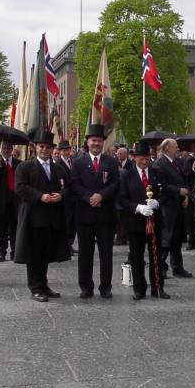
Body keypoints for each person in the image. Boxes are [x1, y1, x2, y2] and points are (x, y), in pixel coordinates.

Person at [13, 129, 71, 302]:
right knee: (34, 254)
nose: (44, 150)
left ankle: (44, 284)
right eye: (41, 146)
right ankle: (35, 287)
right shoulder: (25, 167)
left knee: (46, 253)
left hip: (52, 217)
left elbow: (69, 187)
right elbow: (20, 187)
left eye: (47, 147)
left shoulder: (59, 168)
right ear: (35, 148)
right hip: (33, 217)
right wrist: (40, 196)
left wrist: (62, 195)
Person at [71, 124, 119, 298]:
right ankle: (85, 286)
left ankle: (105, 286)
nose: (96, 143)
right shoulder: (77, 162)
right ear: (87, 142)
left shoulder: (111, 162)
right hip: (85, 214)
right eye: (93, 140)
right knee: (85, 253)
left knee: (106, 253)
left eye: (99, 140)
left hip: (106, 214)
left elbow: (115, 183)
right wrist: (90, 197)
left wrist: (101, 196)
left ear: (102, 142)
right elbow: (74, 184)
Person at [117, 140, 169, 299]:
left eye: (147, 158)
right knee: (137, 256)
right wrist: (138, 208)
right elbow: (122, 199)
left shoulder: (156, 172)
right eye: (141, 158)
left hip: (155, 221)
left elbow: (164, 193)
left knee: (156, 255)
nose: (144, 161)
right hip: (135, 222)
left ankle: (158, 287)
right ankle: (139, 289)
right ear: (134, 158)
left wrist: (158, 202)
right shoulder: (126, 175)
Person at [152, 138, 193, 278]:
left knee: (176, 238)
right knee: (166, 238)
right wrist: (178, 191)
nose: (178, 149)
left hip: (178, 205)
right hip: (167, 206)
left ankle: (177, 266)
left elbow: (184, 178)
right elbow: (161, 186)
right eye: (175, 147)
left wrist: (185, 195)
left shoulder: (177, 162)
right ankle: (161, 266)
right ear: (167, 148)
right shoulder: (159, 164)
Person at [0, 142, 20, 262]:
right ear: (0, 149)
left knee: (15, 227)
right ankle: (1, 251)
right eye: (4, 148)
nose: (6, 150)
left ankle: (15, 251)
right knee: (1, 228)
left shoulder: (18, 163)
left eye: (9, 148)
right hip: (1, 199)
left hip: (15, 199)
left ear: (12, 149)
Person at [54, 140, 77, 250]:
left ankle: (70, 243)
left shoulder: (73, 161)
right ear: (60, 151)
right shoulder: (58, 163)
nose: (66, 152)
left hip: (75, 196)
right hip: (65, 196)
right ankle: (65, 244)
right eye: (64, 150)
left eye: (68, 150)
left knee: (73, 221)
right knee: (66, 221)